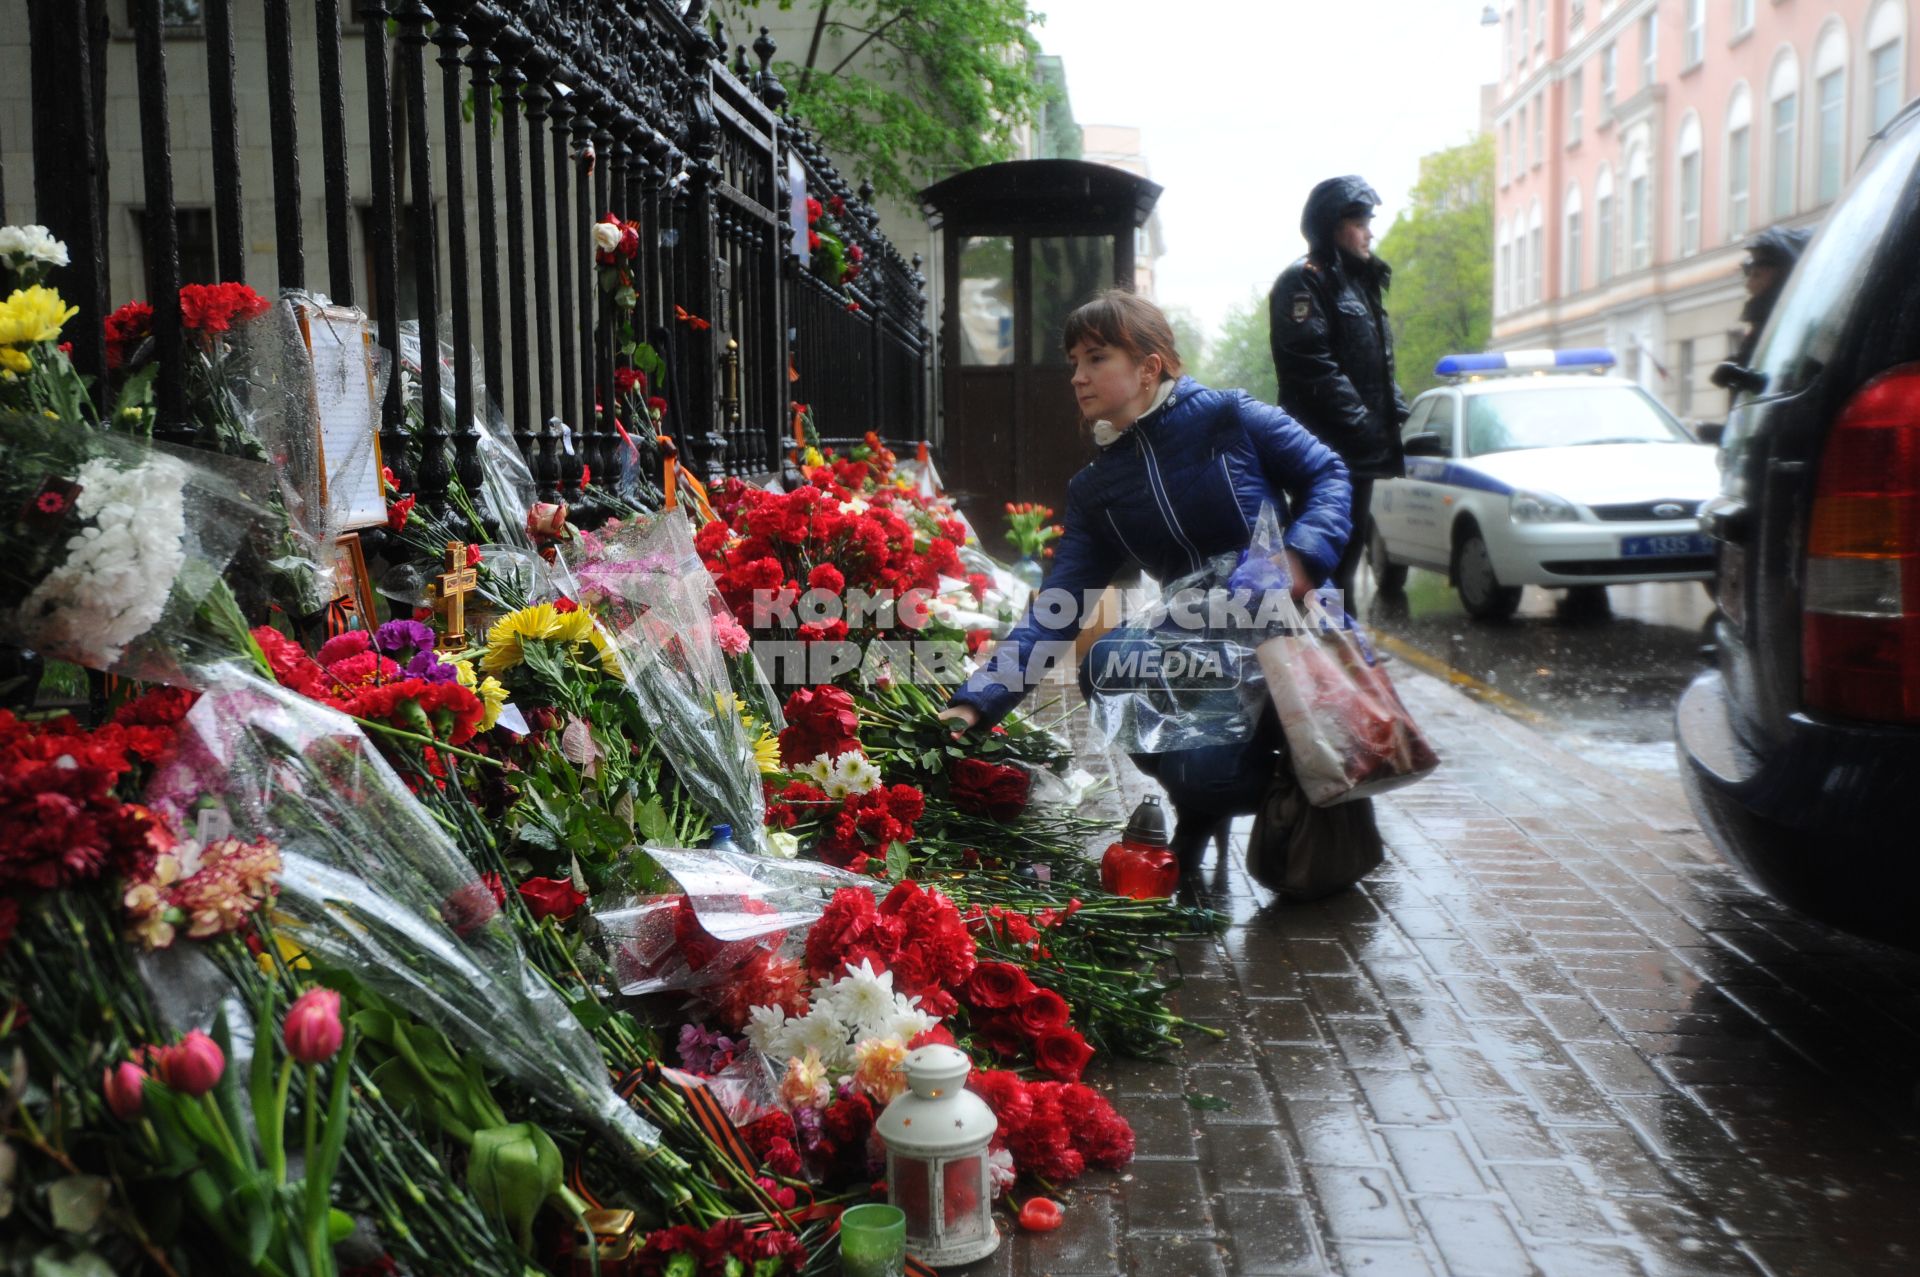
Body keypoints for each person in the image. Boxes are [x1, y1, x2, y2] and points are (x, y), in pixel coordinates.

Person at [937, 290, 1352, 871]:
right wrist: (976, 703)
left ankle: (1305, 773)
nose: (1077, 377)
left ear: (1148, 366)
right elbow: (1057, 610)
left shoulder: (1228, 417)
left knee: (1218, 746)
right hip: (1200, 650)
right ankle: (1216, 797)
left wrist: (1301, 563)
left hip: (1286, 631)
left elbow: (1328, 473)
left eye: (1096, 358)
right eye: (1073, 362)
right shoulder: (1096, 489)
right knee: (1108, 664)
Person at [1268, 176, 1409, 602]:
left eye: (1369, 221)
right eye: (1359, 222)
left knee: (1345, 557)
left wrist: (1396, 412)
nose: (1369, 232)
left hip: (1357, 451)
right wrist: (1363, 422)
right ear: (1332, 225)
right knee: (1320, 560)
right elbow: (1311, 365)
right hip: (1325, 450)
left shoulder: (1359, 283)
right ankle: (1319, 654)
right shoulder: (1305, 281)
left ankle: (1339, 652)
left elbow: (1378, 363)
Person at [1713, 225, 1812, 402]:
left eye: (1757, 274)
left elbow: (1787, 380)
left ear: (1783, 273)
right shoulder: (1764, 321)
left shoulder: (1791, 322)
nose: (1749, 285)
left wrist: (1744, 376)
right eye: (1749, 273)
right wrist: (1737, 367)